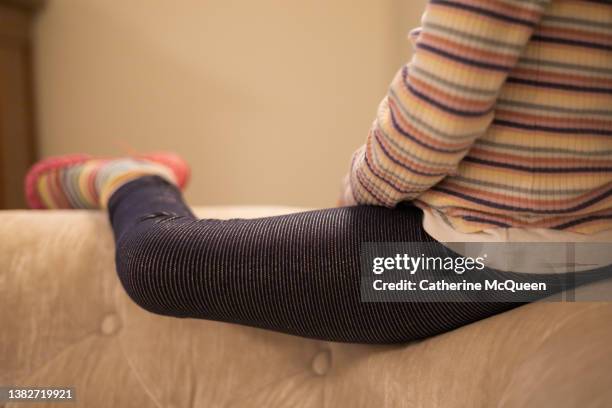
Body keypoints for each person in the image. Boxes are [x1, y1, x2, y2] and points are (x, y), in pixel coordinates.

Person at [25, 0, 612, 344]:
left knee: (161, 262)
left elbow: (436, 118)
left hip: (476, 261)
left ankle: (132, 176)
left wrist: (355, 199)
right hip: (583, 258)